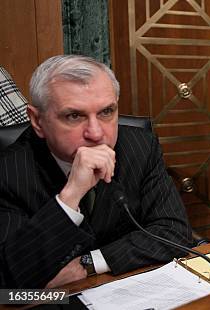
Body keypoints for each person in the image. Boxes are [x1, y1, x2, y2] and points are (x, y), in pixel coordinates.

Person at [0, 55, 192, 288]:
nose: (96, 133)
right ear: (38, 121)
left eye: (106, 112)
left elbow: (173, 231)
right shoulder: (8, 172)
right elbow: (12, 283)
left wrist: (89, 263)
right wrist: (70, 196)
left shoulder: (140, 147)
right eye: (74, 116)